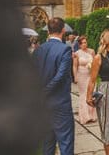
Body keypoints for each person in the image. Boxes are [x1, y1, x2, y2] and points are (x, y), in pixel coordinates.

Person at [33, 17, 74, 155]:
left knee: (48, 145)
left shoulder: (38, 50)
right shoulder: (65, 49)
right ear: (63, 30)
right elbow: (60, 76)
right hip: (60, 104)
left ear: (48, 31)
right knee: (66, 144)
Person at [73, 35, 97, 124]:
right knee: (83, 94)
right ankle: (85, 116)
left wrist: (93, 69)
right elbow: (75, 66)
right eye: (82, 43)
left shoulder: (92, 51)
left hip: (90, 75)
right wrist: (75, 76)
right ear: (79, 45)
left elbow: (95, 63)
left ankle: (92, 115)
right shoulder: (77, 53)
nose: (84, 44)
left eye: (85, 42)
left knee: (91, 92)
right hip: (81, 74)